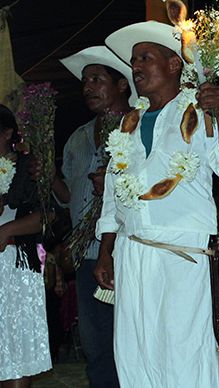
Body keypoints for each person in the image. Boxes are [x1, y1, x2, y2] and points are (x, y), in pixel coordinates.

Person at [95, 21, 219, 387]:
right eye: (133, 61)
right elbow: (113, 197)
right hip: (131, 253)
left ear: (174, 65)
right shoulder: (126, 125)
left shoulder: (201, 109)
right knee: (134, 351)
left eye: (145, 58)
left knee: (183, 352)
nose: (136, 67)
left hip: (182, 252)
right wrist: (105, 252)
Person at [46, 45, 134, 388]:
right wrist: (47, 177)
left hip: (127, 251)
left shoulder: (137, 127)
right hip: (88, 256)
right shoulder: (78, 138)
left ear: (121, 85)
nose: (87, 87)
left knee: (129, 336)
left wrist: (116, 183)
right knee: (95, 340)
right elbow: (69, 198)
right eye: (85, 81)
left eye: (97, 79)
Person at [0, 104, 52, 388]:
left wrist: (7, 230)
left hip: (15, 267)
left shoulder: (28, 166)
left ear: (8, 133)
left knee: (16, 351)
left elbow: (48, 215)